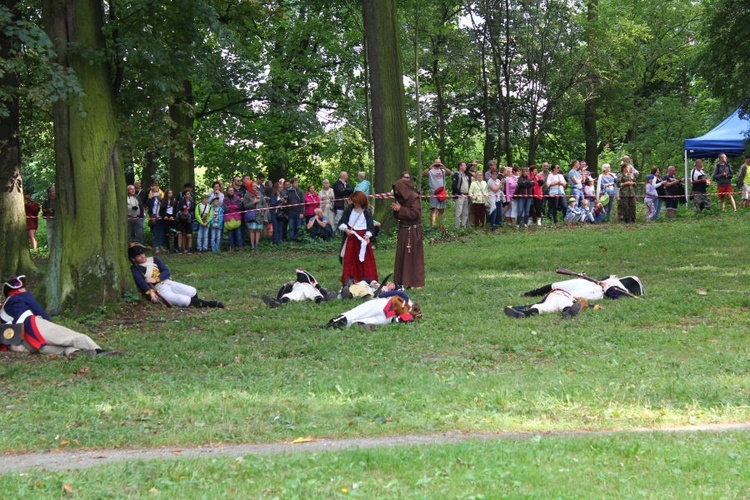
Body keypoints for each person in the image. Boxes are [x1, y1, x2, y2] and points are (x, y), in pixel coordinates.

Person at [1, 275, 119, 357]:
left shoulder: (4, 308)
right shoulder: (20, 296)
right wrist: (48, 323)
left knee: (58, 349)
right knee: (74, 337)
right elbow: (38, 310)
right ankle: (99, 351)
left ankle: (75, 352)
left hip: (21, 344)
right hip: (32, 326)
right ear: (18, 288)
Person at [128, 243, 224, 308]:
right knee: (182, 300)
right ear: (133, 259)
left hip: (168, 282)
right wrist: (151, 293)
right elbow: (141, 282)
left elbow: (166, 271)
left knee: (192, 291)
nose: (142, 256)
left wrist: (156, 279)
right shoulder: (135, 269)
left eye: (143, 253)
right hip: (159, 289)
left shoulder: (154, 259)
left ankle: (199, 303)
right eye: (138, 256)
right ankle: (210, 304)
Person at [324, 289, 421, 330]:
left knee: (353, 314)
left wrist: (379, 295)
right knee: (362, 320)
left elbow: (384, 295)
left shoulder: (404, 297)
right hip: (387, 318)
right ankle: (361, 323)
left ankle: (333, 323)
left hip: (382, 305)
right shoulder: (407, 316)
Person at [391, 175, 425, 289]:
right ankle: (405, 281)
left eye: (397, 189)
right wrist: (397, 210)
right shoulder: (401, 198)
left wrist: (400, 209)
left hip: (413, 232)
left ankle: (416, 283)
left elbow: (415, 214)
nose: (396, 192)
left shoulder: (414, 197)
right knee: (403, 257)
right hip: (403, 231)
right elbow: (398, 215)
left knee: (414, 258)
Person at [338, 191, 378, 285]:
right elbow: (341, 223)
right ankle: (350, 280)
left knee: (365, 260)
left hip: (362, 239)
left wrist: (368, 235)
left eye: (356, 202)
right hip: (352, 238)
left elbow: (370, 226)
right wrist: (346, 229)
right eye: (353, 201)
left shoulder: (366, 211)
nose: (354, 204)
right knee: (350, 259)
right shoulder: (349, 209)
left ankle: (367, 280)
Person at [520, 274, 644, 300]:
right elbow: (600, 279)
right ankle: (531, 294)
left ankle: (542, 303)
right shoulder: (611, 278)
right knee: (556, 285)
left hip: (596, 292)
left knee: (569, 296)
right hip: (590, 284)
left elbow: (613, 295)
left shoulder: (621, 289)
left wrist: (607, 287)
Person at [260, 269, 336, 308]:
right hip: (299, 290)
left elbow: (323, 291)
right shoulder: (294, 284)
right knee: (291, 296)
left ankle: (322, 301)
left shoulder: (314, 286)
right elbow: (283, 291)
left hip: (310, 289)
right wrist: (286, 285)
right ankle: (278, 303)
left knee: (316, 295)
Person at [504, 289, 587, 319]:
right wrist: (514, 307)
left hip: (559, 298)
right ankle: (523, 314)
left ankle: (569, 313)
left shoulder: (572, 298)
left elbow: (586, 305)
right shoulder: (572, 295)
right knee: (539, 307)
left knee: (539, 307)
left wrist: (595, 306)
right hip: (552, 299)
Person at [422, 159, 452, 228]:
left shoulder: (442, 170)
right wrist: (430, 167)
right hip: (434, 192)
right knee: (434, 209)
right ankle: (432, 225)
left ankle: (440, 225)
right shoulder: (430, 171)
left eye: (439, 163)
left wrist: (443, 167)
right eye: (436, 163)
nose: (437, 165)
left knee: (441, 210)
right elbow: (423, 174)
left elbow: (450, 173)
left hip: (442, 192)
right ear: (434, 163)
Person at [243, 180, 266, 249]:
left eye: (256, 186)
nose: (255, 187)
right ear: (250, 187)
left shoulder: (259, 193)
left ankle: (257, 244)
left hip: (259, 215)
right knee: (252, 230)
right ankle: (252, 245)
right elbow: (245, 206)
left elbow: (264, 203)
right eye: (253, 186)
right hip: (252, 215)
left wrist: (263, 208)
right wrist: (254, 202)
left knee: (258, 230)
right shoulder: (247, 194)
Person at [451, 161, 472, 228]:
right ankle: (457, 227)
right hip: (460, 195)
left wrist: (472, 163)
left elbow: (469, 168)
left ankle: (464, 226)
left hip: (466, 195)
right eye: (464, 165)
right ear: (460, 166)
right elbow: (454, 186)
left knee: (465, 212)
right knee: (459, 212)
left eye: (466, 165)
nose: (465, 166)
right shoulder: (456, 175)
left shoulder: (466, 175)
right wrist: (459, 193)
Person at [223, 186, 243, 251]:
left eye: (232, 190)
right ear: (227, 191)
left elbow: (239, 206)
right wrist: (234, 207)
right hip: (229, 218)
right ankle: (231, 247)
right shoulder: (225, 199)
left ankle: (240, 246)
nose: (231, 191)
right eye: (230, 190)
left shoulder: (237, 198)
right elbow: (225, 208)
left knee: (238, 233)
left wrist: (230, 207)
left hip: (237, 217)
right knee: (230, 234)